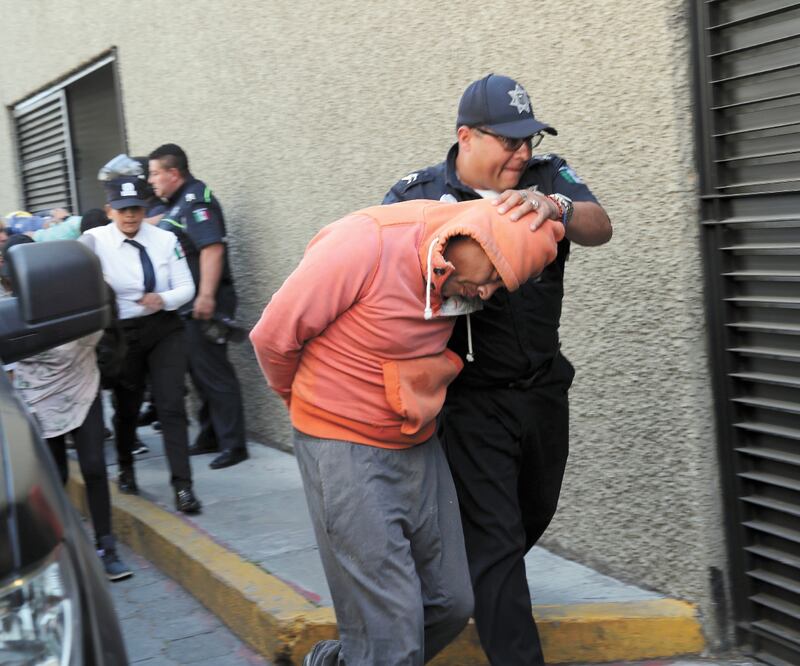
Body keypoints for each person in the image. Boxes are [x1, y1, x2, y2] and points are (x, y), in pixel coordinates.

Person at [251, 197, 565, 665]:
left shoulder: (463, 268)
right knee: (393, 629)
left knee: (452, 602)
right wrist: (304, 407)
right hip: (342, 442)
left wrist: (556, 203)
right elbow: (272, 336)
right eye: (490, 277)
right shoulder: (366, 244)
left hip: (416, 438)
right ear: (465, 241)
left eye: (502, 285)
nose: (487, 294)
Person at [383, 73, 613, 666]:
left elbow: (599, 226)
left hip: (543, 388)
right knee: (498, 543)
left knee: (532, 512)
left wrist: (557, 206)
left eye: (528, 140)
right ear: (466, 136)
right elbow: (382, 276)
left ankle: (453, 578)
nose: (522, 154)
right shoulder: (418, 194)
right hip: (472, 399)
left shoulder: (546, 177)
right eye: (509, 142)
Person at [7, 235, 132, 581]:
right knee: (54, 476)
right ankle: (56, 551)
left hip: (81, 384)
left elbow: (104, 316)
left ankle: (107, 548)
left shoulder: (72, 292)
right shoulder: (7, 304)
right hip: (36, 395)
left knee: (93, 467)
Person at [82, 175, 202, 514]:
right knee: (127, 406)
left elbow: (186, 287)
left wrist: (161, 299)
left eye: (135, 208)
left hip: (163, 328)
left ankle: (183, 487)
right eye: (122, 210)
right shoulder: (92, 241)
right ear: (109, 210)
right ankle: (126, 467)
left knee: (171, 405)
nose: (130, 216)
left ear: (145, 207)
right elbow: (78, 284)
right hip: (121, 333)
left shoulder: (165, 239)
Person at [148, 144, 248, 470]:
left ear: (173, 173)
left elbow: (212, 248)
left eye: (155, 173)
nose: (151, 180)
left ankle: (234, 444)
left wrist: (205, 296)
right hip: (185, 306)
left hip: (205, 302)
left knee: (213, 372)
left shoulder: (195, 200)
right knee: (198, 373)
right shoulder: (176, 205)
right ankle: (210, 435)